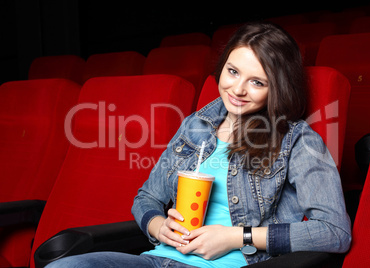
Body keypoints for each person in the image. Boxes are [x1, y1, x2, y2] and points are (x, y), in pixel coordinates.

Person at [46, 21, 351, 268]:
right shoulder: (197, 124)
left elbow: (334, 231)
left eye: (257, 82)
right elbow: (146, 198)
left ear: (279, 88)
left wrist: (235, 237)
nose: (238, 89)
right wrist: (157, 226)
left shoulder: (297, 140)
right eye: (232, 72)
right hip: (156, 260)